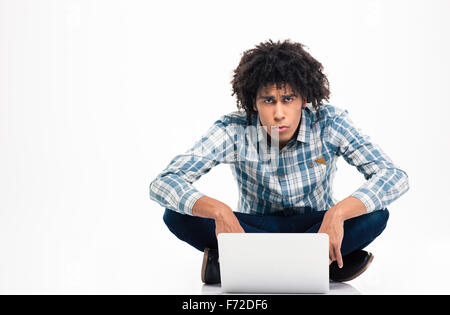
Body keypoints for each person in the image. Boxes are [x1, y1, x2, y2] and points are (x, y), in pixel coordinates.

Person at [149, 39, 410, 284]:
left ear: (304, 99)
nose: (278, 113)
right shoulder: (234, 129)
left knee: (375, 215)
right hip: (252, 229)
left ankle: (239, 265)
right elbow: (164, 183)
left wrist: (338, 213)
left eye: (288, 99)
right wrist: (220, 211)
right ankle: (319, 265)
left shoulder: (330, 122)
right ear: (254, 102)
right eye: (268, 100)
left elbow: (392, 176)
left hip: (316, 227)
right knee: (176, 214)